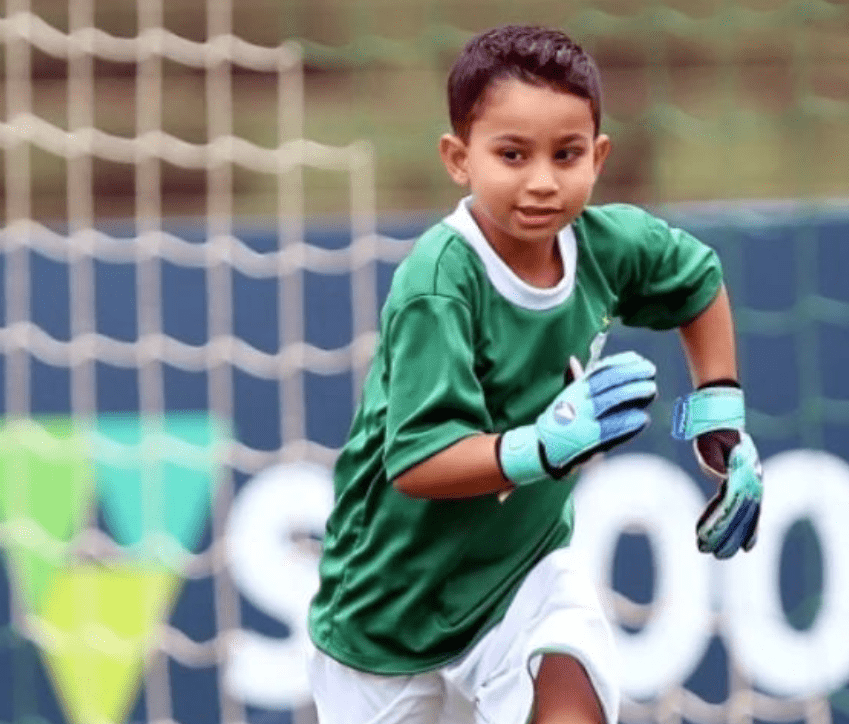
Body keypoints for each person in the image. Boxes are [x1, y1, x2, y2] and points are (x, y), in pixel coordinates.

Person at [307, 24, 763, 724]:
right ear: (459, 158)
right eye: (512, 154)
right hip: (389, 610)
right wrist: (540, 447)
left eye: (567, 153)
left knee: (570, 696)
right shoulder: (441, 283)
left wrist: (718, 412)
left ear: (599, 156)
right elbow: (419, 461)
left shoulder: (610, 246)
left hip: (525, 575)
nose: (543, 181)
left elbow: (697, 281)